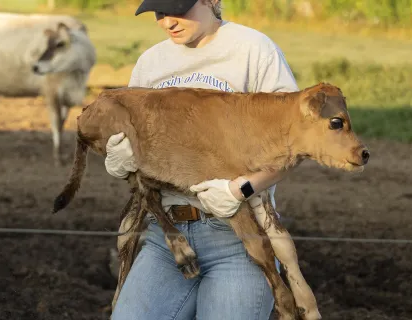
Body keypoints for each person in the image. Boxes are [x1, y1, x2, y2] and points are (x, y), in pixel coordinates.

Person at [104, 0, 300, 319]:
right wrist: (122, 157)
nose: (168, 22)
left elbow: (293, 142)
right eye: (159, 13)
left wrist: (241, 189)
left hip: (238, 240)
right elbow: (135, 136)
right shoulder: (151, 63)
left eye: (178, 9)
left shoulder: (253, 51)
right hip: (163, 237)